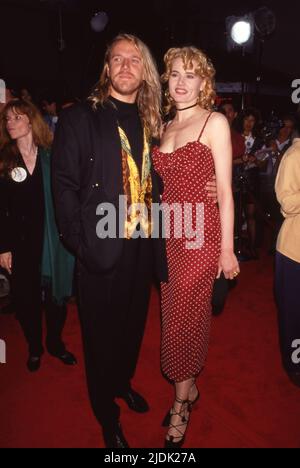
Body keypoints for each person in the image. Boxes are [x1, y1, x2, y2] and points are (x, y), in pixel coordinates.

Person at [51, 33, 217, 448]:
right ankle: (107, 414)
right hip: (101, 247)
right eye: (117, 60)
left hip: (145, 245)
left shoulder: (152, 121)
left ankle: (122, 382)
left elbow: (170, 175)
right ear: (107, 68)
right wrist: (80, 244)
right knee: (99, 336)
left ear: (144, 72)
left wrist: (208, 187)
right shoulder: (78, 119)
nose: (126, 67)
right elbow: (64, 186)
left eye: (134, 61)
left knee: (130, 330)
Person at [152, 46, 239, 448]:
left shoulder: (214, 122)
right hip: (167, 236)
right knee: (173, 317)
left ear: (204, 82)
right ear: (167, 82)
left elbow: (224, 190)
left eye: (191, 75)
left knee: (184, 317)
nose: (182, 82)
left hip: (202, 237)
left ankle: (180, 406)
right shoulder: (163, 126)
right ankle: (189, 388)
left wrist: (227, 248)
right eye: (175, 75)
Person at [0, 99, 76, 372]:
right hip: (21, 243)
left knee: (57, 297)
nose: (10, 124)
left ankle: (55, 343)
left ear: (30, 120)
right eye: (7, 120)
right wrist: (3, 247)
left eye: (16, 118)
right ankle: (35, 347)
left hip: (53, 240)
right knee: (26, 298)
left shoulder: (51, 154)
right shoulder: (5, 160)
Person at [275, 134, 300, 387]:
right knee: (293, 314)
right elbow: (287, 202)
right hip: (294, 251)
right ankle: (294, 364)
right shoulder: (294, 156)